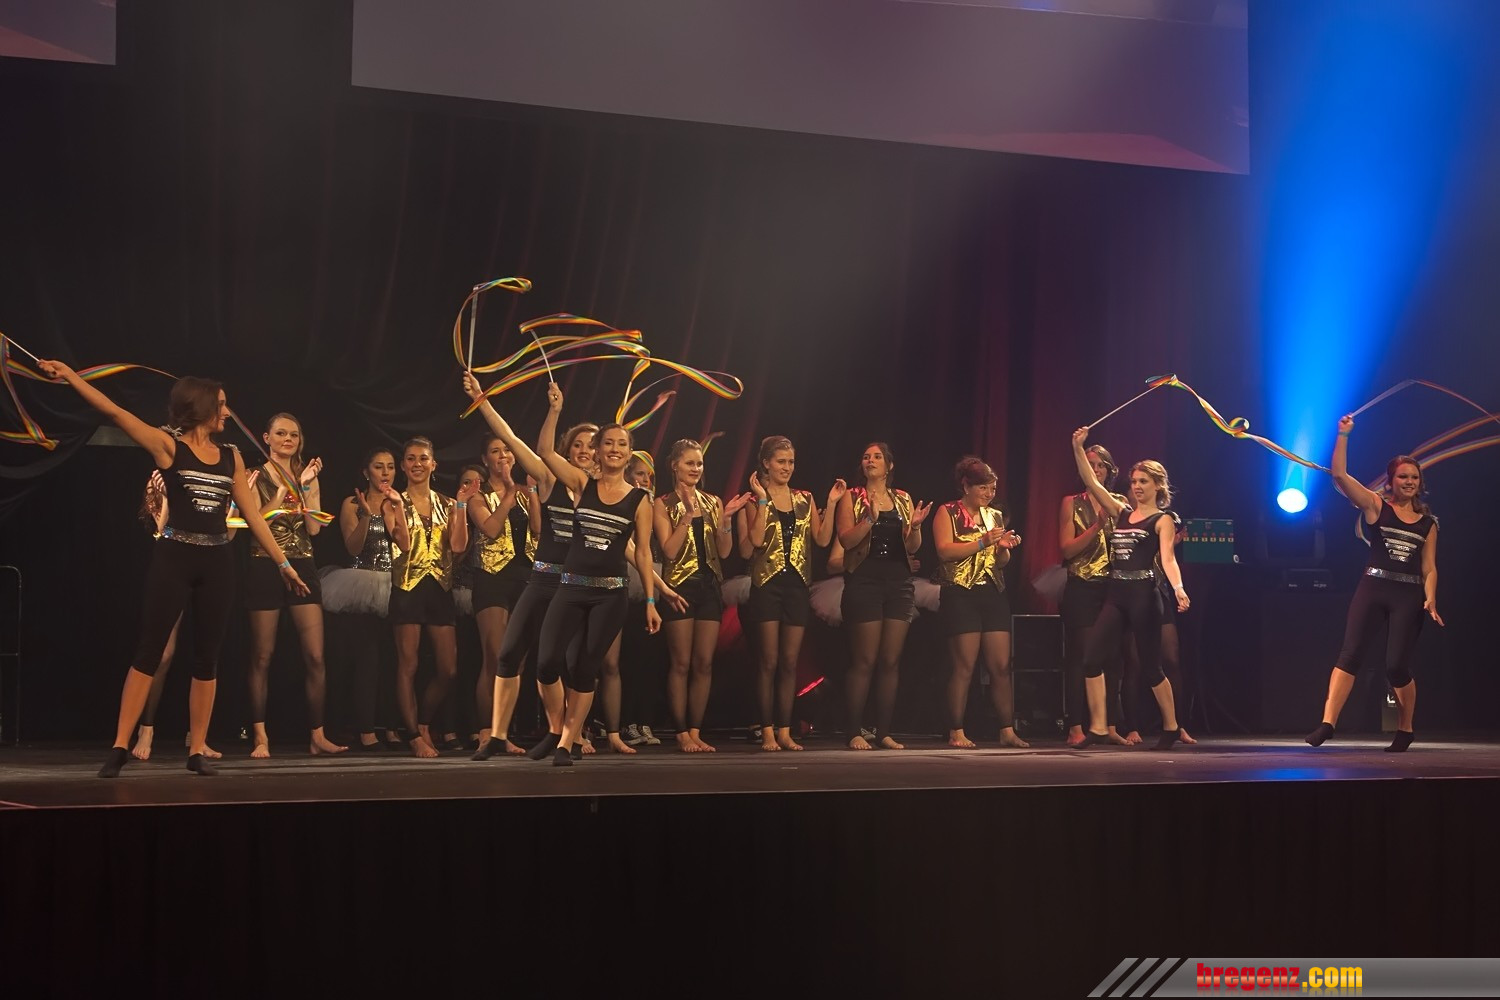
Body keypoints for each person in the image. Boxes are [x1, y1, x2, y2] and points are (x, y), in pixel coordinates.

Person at [37, 360, 309, 777]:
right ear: (201, 406)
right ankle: (120, 746)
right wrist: (72, 377)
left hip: (217, 562)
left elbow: (253, 517)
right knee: (149, 652)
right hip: (174, 559)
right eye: (221, 404)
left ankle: (196, 750)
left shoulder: (232, 457)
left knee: (207, 658)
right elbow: (115, 412)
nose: (227, 411)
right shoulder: (169, 447)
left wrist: (284, 564)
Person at [533, 383, 661, 766]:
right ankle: (557, 730)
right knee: (547, 663)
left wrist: (651, 600)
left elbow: (643, 553)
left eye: (622, 444)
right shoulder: (581, 483)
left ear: (629, 453)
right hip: (570, 588)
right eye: (608, 443)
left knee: (585, 669)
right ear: (599, 450)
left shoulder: (639, 499)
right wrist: (555, 410)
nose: (615, 449)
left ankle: (566, 743)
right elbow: (545, 452)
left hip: (610, 595)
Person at [1306, 415, 1442, 752]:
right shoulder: (1375, 506)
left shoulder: (1428, 523)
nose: (1409, 482)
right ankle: (1327, 724)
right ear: (1391, 481)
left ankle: (1406, 728)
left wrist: (1430, 598)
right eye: (1403, 476)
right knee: (1350, 654)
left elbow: (1429, 567)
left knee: (1396, 666)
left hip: (1408, 594)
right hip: (1373, 588)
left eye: (1414, 477)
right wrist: (1343, 434)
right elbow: (1339, 475)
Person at [1069, 427, 1189, 751]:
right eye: (1134, 481)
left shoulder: (1162, 520)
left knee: (1151, 667)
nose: (1136, 486)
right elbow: (1093, 483)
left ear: (1157, 485)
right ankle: (1097, 727)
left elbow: (1168, 557)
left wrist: (1178, 588)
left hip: (1144, 594)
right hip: (1117, 593)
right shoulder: (1121, 512)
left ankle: (1171, 726)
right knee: (1091, 658)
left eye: (1143, 482)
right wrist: (1077, 447)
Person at [244, 412, 345, 757]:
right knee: (262, 655)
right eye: (281, 433)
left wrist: (305, 486)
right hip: (265, 563)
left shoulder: (307, 475)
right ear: (267, 438)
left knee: (316, 655)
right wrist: (281, 494)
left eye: (294, 435)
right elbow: (254, 523)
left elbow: (314, 529)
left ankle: (317, 735)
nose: (288, 439)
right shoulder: (253, 475)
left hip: (303, 562)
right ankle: (260, 735)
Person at [738, 435, 845, 751]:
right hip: (767, 585)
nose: (787, 467)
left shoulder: (804, 498)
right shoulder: (752, 499)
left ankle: (785, 730)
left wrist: (832, 503)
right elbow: (754, 544)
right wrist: (761, 500)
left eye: (791, 462)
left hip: (797, 586)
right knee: (768, 661)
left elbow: (822, 540)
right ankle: (767, 730)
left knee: (789, 662)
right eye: (781, 461)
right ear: (766, 463)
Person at [379, 436, 478, 757]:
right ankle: (413, 735)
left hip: (439, 588)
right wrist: (398, 505)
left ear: (434, 464)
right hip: (407, 588)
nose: (417, 464)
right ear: (403, 465)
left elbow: (459, 546)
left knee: (448, 669)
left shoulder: (447, 504)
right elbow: (404, 544)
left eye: (423, 458)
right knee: (408, 664)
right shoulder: (392, 501)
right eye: (410, 458)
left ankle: (423, 723)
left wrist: (461, 505)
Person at [654, 439, 754, 752]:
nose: (696, 468)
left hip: (709, 586)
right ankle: (681, 732)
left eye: (699, 463)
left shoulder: (712, 501)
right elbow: (669, 551)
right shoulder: (663, 503)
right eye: (690, 463)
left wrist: (726, 520)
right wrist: (686, 516)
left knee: (704, 664)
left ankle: (696, 731)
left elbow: (723, 551)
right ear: (675, 466)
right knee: (681, 663)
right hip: (679, 587)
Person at [834, 442, 932, 750]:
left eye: (877, 457)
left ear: (889, 465)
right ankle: (854, 731)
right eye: (866, 457)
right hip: (864, 582)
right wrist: (869, 519)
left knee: (891, 661)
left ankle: (884, 731)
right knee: (864, 660)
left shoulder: (902, 498)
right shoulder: (852, 497)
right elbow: (846, 541)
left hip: (898, 584)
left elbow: (912, 546)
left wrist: (916, 527)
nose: (870, 460)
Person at [931, 457, 1026, 748]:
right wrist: (983, 542)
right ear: (966, 486)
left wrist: (1003, 548)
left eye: (992, 488)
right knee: (964, 666)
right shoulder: (947, 511)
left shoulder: (994, 515)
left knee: (1001, 666)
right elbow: (944, 551)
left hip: (992, 591)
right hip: (960, 592)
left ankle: (1007, 729)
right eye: (983, 488)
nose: (989, 494)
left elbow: (1000, 562)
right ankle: (956, 730)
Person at [323, 447, 402, 750]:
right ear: (366, 471)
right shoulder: (352, 503)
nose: (385, 472)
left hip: (396, 584)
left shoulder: (399, 501)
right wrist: (368, 516)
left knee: (396, 660)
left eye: (390, 466)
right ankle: (365, 730)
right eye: (379, 466)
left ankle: (391, 726)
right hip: (361, 586)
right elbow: (353, 548)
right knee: (364, 659)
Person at [1057, 444, 1131, 746]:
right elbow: (1067, 550)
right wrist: (1096, 526)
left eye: (1101, 465)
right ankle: (1076, 726)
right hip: (1082, 584)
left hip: (1113, 586)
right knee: (1084, 655)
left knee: (1113, 657)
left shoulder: (1120, 502)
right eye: (1091, 464)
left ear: (1109, 470)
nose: (1096, 469)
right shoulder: (1071, 503)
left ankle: (1110, 725)